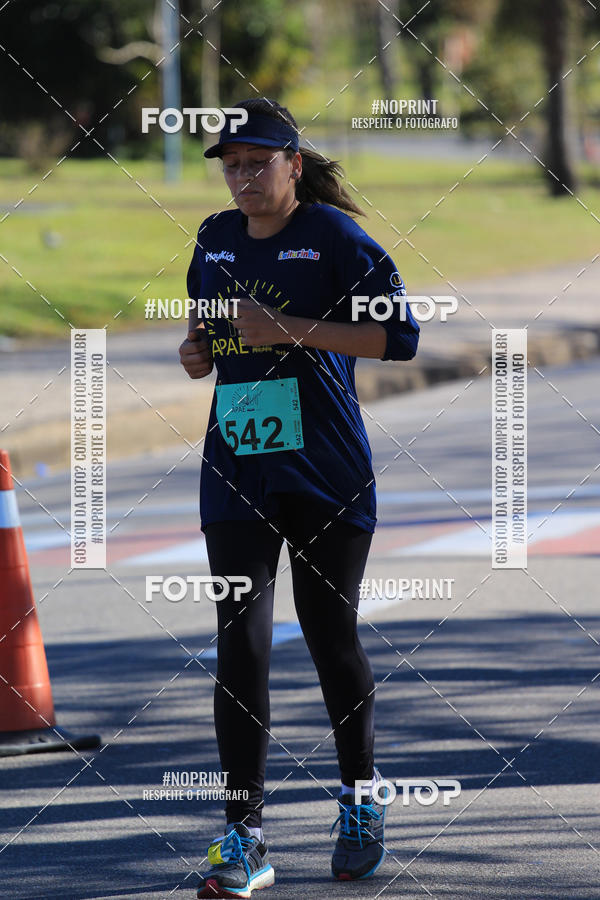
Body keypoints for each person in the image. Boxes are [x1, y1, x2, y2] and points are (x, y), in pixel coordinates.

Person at [180, 97, 420, 899]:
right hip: (239, 466)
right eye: (232, 164)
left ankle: (359, 801)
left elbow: (399, 337)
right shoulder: (214, 238)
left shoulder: (336, 239)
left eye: (258, 162)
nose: (244, 177)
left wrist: (291, 329)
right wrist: (196, 349)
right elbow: (208, 333)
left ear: (292, 163)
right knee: (239, 644)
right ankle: (242, 836)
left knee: (329, 637)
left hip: (325, 468)